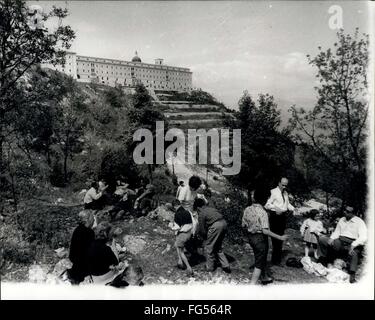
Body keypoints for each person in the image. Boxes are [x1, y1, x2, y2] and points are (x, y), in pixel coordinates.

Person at [242, 188, 288, 285]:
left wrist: (246, 238)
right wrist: (280, 237)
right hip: (260, 238)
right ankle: (251, 286)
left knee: (260, 258)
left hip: (251, 237)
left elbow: (244, 225)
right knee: (258, 264)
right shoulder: (263, 212)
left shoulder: (247, 209)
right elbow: (265, 231)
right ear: (265, 199)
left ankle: (264, 277)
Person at [318, 206, 367, 283]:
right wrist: (332, 238)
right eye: (345, 210)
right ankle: (324, 259)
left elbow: (363, 237)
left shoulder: (360, 222)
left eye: (348, 211)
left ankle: (352, 274)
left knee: (354, 254)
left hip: (352, 243)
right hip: (340, 241)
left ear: (353, 213)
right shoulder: (342, 219)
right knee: (322, 239)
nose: (345, 212)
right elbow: (337, 231)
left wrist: (353, 245)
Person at [194, 198, 231, 273]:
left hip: (216, 225)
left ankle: (210, 267)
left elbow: (202, 229)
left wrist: (203, 237)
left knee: (208, 247)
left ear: (198, 207)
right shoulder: (211, 209)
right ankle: (225, 265)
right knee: (217, 246)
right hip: (224, 223)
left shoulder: (201, 213)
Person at [265, 177, 295, 265]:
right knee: (275, 238)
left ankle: (277, 260)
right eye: (283, 185)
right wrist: (275, 208)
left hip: (283, 217)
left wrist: (294, 209)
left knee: (281, 237)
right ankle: (275, 260)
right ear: (279, 183)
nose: (284, 187)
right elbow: (267, 204)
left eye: (286, 185)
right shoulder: (273, 192)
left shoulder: (285, 193)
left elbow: (287, 204)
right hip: (275, 217)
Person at [67, 210, 95, 284]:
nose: (94, 220)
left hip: (75, 261)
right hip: (83, 265)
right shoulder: (89, 232)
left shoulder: (78, 229)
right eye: (93, 218)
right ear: (88, 220)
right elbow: (91, 251)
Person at [170, 199, 194, 276]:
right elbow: (193, 223)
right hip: (189, 233)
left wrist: (171, 226)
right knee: (177, 245)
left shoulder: (177, 214)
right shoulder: (187, 212)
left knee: (181, 251)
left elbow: (177, 227)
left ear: (174, 206)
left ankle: (189, 268)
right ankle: (180, 262)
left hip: (182, 234)